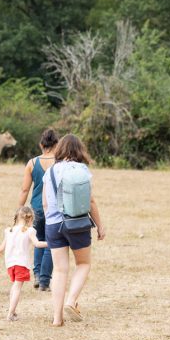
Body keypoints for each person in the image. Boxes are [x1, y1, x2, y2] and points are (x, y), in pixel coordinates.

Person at [43, 134, 105, 326]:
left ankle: (57, 318)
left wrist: (51, 224)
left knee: (60, 271)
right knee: (83, 264)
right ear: (80, 150)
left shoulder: (50, 171)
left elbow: (45, 204)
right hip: (77, 224)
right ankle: (71, 301)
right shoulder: (82, 170)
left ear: (60, 149)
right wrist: (100, 225)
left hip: (53, 225)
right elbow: (91, 200)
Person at [0, 206, 49, 321]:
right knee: (17, 287)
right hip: (21, 263)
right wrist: (50, 243)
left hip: (10, 263)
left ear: (17, 217)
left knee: (14, 286)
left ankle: (13, 311)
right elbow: (37, 244)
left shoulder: (9, 230)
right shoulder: (29, 231)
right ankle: (10, 313)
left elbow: (2, 247)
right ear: (30, 219)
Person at [18, 128, 59, 291]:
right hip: (54, 208)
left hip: (35, 208)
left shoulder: (32, 163)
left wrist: (19, 210)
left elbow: (24, 190)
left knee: (38, 240)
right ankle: (44, 281)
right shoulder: (60, 163)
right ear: (56, 144)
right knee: (50, 243)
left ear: (41, 144)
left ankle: (36, 274)